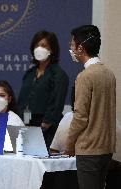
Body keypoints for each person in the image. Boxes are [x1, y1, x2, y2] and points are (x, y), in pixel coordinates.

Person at [65, 25, 116, 189]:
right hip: (106, 148)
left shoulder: (85, 76)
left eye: (72, 45)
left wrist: (69, 143)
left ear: (81, 48)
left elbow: (80, 116)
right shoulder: (109, 74)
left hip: (89, 149)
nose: (71, 49)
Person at [17, 30, 69, 149]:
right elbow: (24, 101)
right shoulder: (30, 73)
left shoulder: (58, 74)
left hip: (48, 128)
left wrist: (45, 124)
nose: (39, 48)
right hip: (28, 125)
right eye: (37, 45)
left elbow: (56, 103)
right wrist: (24, 123)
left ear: (52, 49)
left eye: (44, 45)